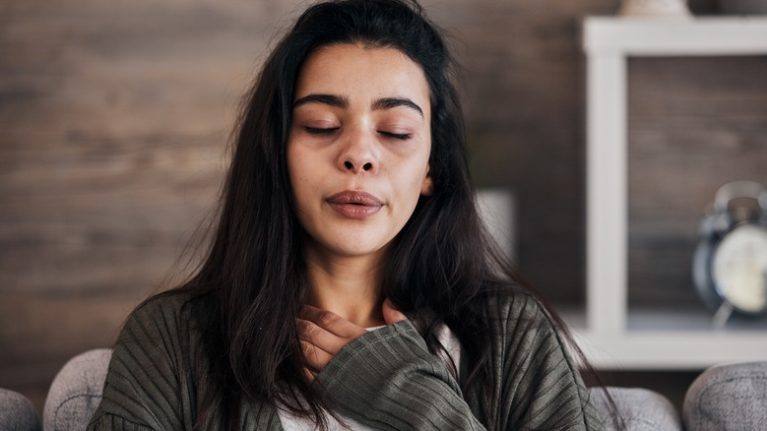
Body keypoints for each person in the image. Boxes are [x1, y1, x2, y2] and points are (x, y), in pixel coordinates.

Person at [87, 0, 605, 429]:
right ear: (277, 153)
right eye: (320, 124)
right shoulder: (171, 341)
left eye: (395, 131)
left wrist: (422, 409)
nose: (359, 154)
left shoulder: (513, 337)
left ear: (432, 168)